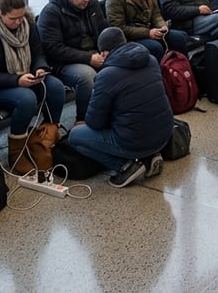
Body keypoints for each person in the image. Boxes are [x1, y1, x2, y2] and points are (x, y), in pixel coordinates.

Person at [0, 0, 65, 175]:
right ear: (0, 14)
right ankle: (17, 153)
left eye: (21, 17)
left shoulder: (28, 24)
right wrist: (16, 80)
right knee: (25, 98)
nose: (18, 22)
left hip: (24, 77)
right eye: (13, 19)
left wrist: (40, 67)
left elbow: (38, 52)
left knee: (55, 87)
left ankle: (45, 141)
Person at [67, 28, 171, 188]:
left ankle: (126, 166)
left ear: (104, 53)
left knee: (75, 136)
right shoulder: (150, 59)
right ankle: (148, 157)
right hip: (164, 134)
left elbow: (95, 122)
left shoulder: (107, 75)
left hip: (135, 142)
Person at [37, 0, 107, 124]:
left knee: (119, 63)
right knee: (86, 76)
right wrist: (88, 58)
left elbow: (103, 29)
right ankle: (82, 119)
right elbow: (53, 49)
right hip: (63, 62)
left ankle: (108, 113)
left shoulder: (92, 5)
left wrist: (107, 47)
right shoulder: (51, 12)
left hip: (93, 54)